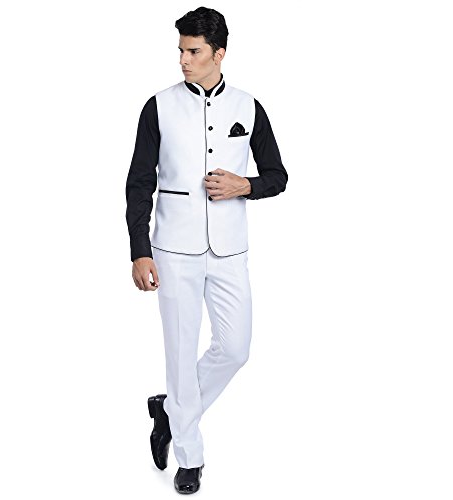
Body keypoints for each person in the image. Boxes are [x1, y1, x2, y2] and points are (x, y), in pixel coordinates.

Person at [125, 6, 288, 494]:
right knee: (180, 353)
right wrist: (139, 250)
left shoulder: (248, 106)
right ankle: (189, 457)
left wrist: (245, 185)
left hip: (230, 250)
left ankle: (170, 410)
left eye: (193, 51)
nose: (183, 59)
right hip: (172, 250)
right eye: (180, 50)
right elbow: (138, 183)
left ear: (219, 53)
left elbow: (278, 176)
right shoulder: (157, 107)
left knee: (235, 348)